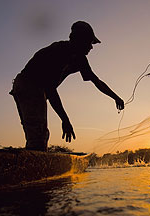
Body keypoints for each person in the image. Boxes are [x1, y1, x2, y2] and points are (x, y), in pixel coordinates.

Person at [10, 21, 125, 151]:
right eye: (89, 42)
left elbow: (96, 81)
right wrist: (65, 120)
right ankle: (30, 166)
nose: (91, 47)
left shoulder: (80, 59)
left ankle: (29, 159)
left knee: (37, 132)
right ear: (80, 40)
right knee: (38, 134)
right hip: (28, 85)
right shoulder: (58, 51)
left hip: (37, 90)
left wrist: (116, 97)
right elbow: (50, 90)